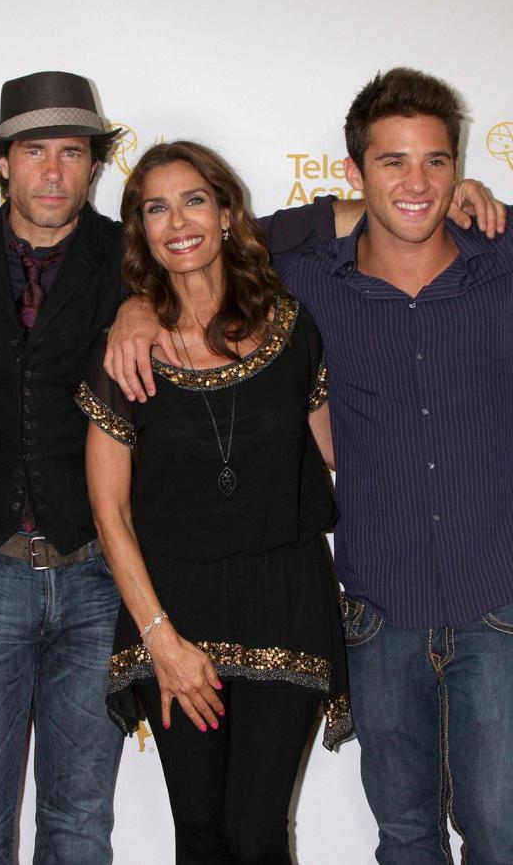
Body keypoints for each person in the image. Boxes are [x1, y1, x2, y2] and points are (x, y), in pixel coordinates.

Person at [0, 71, 507, 863]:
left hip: (95, 578)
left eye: (73, 153)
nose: (53, 172)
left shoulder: (131, 259)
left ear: (95, 165)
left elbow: (293, 228)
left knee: (79, 823)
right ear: (3, 163)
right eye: (34, 151)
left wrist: (445, 195)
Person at [103, 68, 513, 863]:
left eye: (435, 161)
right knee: (406, 838)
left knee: (503, 834)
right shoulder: (309, 273)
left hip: (503, 601)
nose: (416, 183)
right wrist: (135, 304)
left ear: (460, 168)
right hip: (378, 606)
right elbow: (197, 240)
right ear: (355, 175)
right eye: (392, 162)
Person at [78, 141, 346, 863]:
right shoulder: (126, 350)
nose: (178, 221)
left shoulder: (293, 327)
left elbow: (340, 453)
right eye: (155, 208)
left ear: (227, 214)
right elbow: (110, 513)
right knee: (199, 833)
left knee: (255, 834)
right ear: (141, 231)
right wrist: (160, 639)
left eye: (194, 199)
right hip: (175, 608)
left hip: (287, 599)